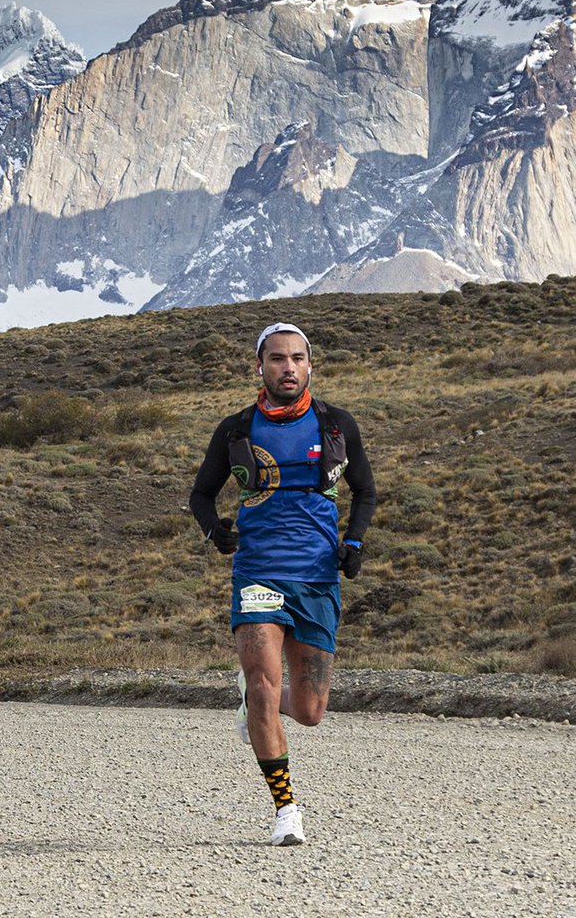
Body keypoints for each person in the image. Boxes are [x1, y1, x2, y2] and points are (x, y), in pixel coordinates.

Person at [189, 321, 377, 846]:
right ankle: (286, 810)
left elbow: (365, 492)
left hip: (316, 577)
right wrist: (216, 533)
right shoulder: (236, 430)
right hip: (258, 575)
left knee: (312, 710)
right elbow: (201, 495)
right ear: (260, 367)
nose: (287, 367)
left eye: (296, 358)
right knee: (265, 684)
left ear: (310, 365)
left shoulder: (336, 425)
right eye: (276, 358)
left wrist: (355, 543)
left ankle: (255, 707)